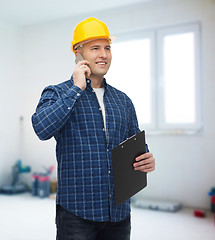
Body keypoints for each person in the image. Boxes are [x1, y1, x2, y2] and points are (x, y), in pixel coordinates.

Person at [31, 17, 155, 240]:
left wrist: (145, 159)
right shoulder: (57, 93)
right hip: (77, 214)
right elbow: (41, 128)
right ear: (78, 53)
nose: (104, 54)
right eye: (95, 48)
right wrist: (76, 88)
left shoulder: (123, 100)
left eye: (107, 48)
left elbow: (136, 145)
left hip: (118, 213)